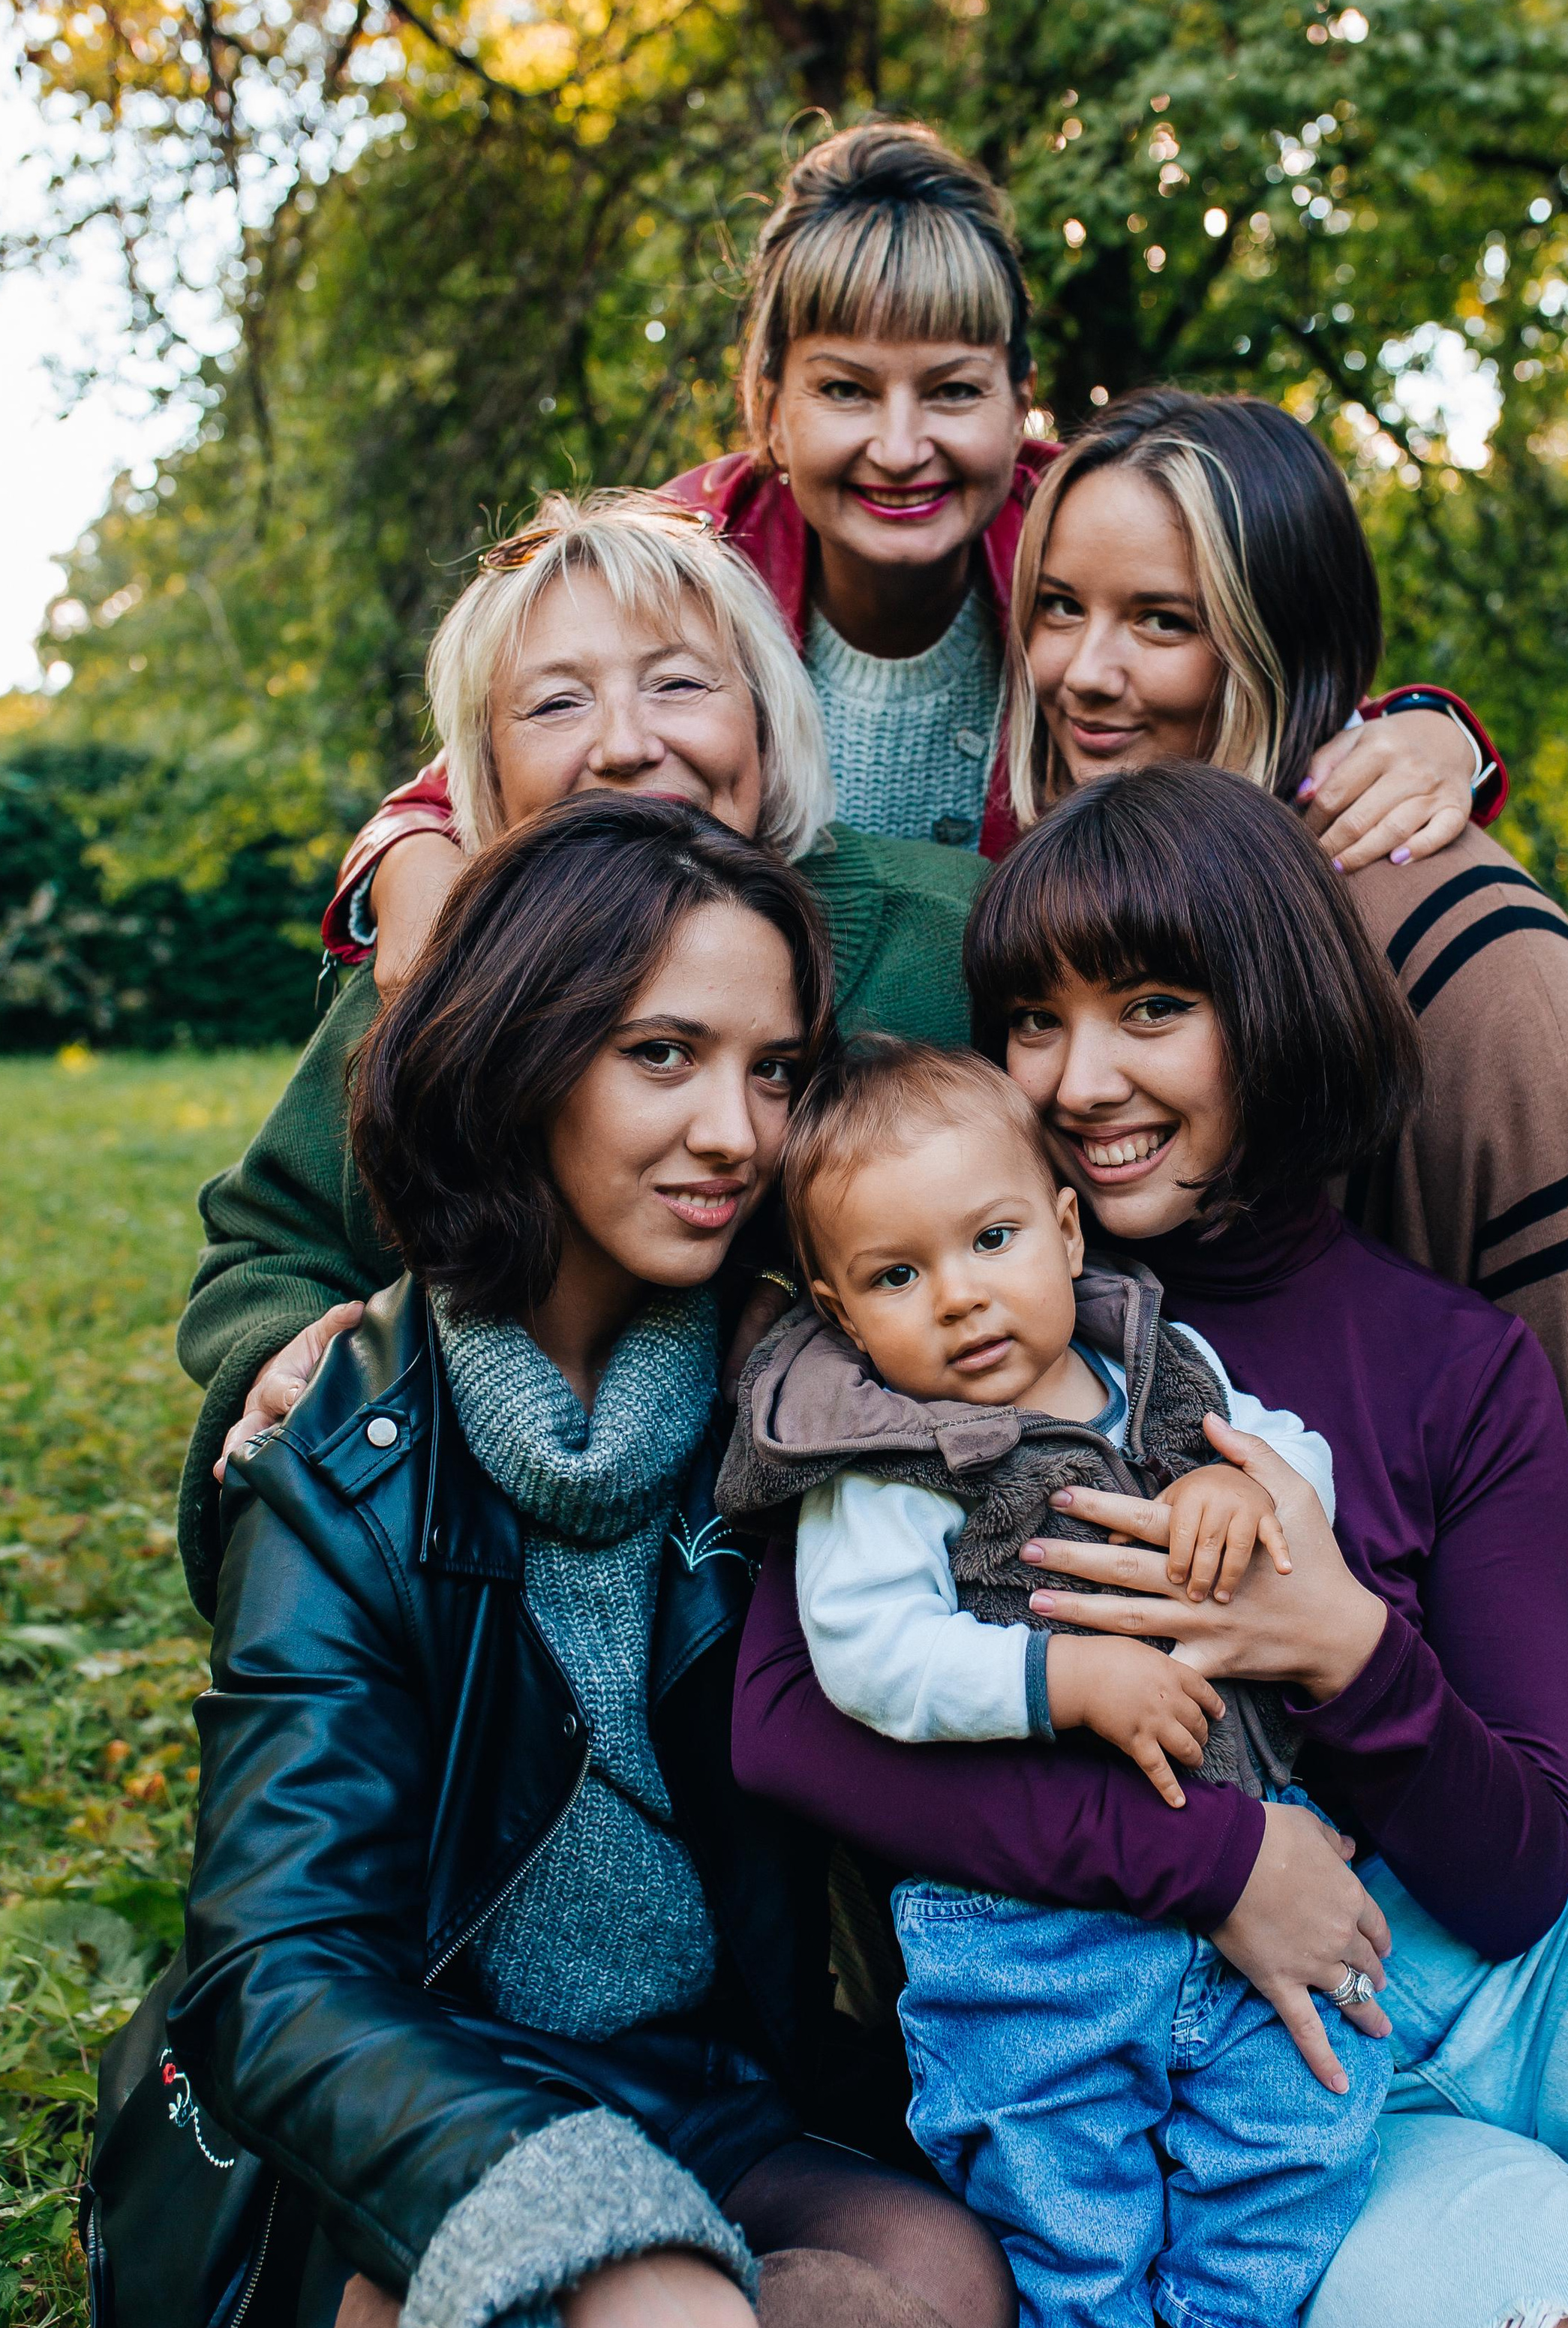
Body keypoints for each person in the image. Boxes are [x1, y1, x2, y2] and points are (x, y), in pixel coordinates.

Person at [731, 765, 1568, 2328]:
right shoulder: (930, 1341)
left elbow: (1518, 1875)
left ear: (1270, 1006)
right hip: (1287, 2115)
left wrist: (1341, 1640)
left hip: (1544, 1970)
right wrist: (1213, 1865)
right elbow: (791, 1724)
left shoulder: (1453, 1366)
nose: (1080, 1080)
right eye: (1031, 1021)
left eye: (1151, 1011)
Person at [115, 792, 1017, 2328]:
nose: (732, 1132)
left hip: (715, 2091)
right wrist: (593, 2237)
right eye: (660, 1056)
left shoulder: (809, 1405)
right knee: (468, 2286)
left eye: (772, 1072)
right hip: (427, 2087)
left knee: (931, 2275)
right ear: (521, 1059)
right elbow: (274, 1970)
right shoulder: (355, 1446)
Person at [994, 387, 1568, 1976]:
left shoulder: (1443, 933)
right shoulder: (1113, 882)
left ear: (1274, 638)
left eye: (1160, 621)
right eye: (1057, 607)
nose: (1084, 669)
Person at [715, 1032, 1384, 2328]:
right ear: (833, 1311)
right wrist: (1064, 1682)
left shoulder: (1162, 1371)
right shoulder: (883, 1459)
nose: (955, 1297)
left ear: (1065, 1232)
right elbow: (869, 1657)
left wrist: (1241, 1493)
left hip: (1240, 1928)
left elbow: (1298, 1468)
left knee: (1285, 2136)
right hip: (1021, 1931)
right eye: (893, 1277)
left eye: (992, 1241)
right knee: (1051, 2179)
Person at [317, 120, 1501, 989]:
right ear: (767, 403)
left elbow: (1261, 665)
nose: (900, 448)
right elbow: (471, 776)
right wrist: (413, 870)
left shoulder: (1079, 525)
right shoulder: (681, 561)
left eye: (951, 391)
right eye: (844, 390)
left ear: (1021, 399)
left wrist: (1437, 732)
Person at [172, 491, 986, 1611]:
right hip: (492, 1626)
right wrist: (276, 1356)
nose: (625, 743)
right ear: (486, 779)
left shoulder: (949, 939)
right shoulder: (442, 971)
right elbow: (272, 1245)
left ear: (764, 714)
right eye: (556, 704)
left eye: (680, 682)